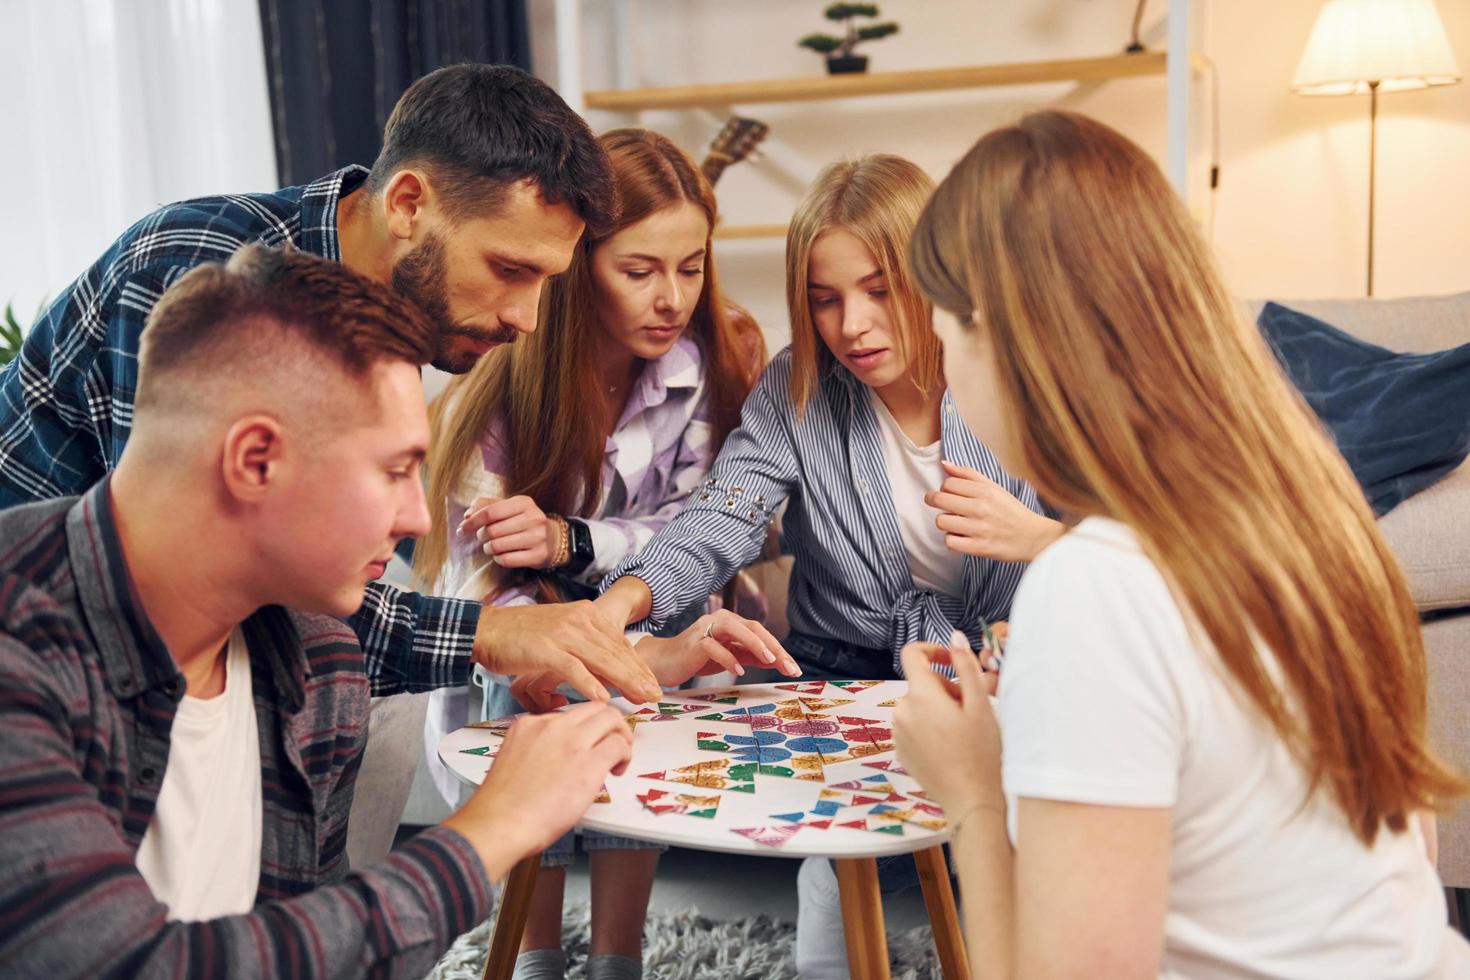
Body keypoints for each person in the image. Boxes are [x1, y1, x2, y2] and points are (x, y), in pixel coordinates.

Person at [894, 110, 1470, 979]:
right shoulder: (1313, 520)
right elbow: (1405, 862)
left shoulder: (1094, 586)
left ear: (1000, 339)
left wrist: (971, 792)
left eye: (944, 342)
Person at [0, 245, 635, 978]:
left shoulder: (322, 660)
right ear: (256, 461)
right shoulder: (22, 653)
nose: (417, 519)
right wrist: (493, 827)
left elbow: (317, 952)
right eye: (395, 471)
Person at [0, 62, 670, 711]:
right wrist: (485, 633)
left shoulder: (389, 304)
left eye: (544, 281)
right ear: (408, 203)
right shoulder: (203, 269)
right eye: (508, 269)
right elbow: (190, 579)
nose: (526, 319)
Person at [590, 153, 1063, 977]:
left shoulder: (1021, 370)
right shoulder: (799, 387)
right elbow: (724, 511)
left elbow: (1148, 543)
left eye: (880, 290)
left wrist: (1035, 538)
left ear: (938, 278)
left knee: (1039, 866)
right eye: (825, 299)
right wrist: (620, 606)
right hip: (842, 667)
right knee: (840, 863)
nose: (852, 325)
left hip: (1015, 664)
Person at [413, 128, 794, 980]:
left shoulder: (709, 364)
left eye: (690, 268)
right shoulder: (497, 375)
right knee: (541, 691)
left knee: (642, 680)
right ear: (579, 265)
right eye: (639, 270)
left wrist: (570, 541)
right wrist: (558, 634)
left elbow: (698, 531)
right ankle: (536, 951)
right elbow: (471, 583)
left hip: (662, 615)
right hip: (510, 630)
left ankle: (620, 958)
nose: (672, 299)